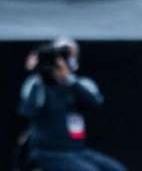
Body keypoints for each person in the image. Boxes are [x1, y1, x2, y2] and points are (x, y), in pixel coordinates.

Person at [17, 39, 126, 171]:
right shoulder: (37, 85)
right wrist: (39, 73)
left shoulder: (80, 84)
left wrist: (67, 79)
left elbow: (94, 103)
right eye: (59, 56)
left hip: (76, 149)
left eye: (67, 55)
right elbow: (27, 111)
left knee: (117, 169)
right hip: (48, 152)